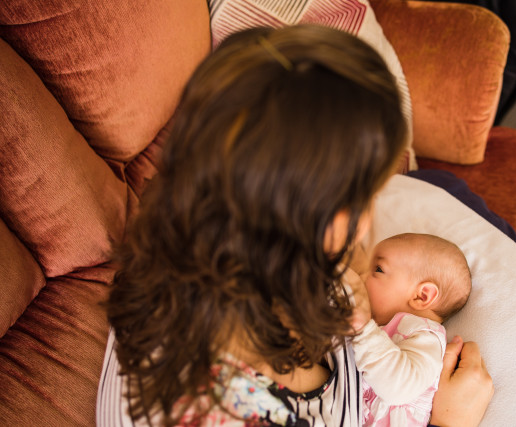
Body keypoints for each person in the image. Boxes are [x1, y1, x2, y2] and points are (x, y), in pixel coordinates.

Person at [97, 25, 493, 426]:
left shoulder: (205, 240)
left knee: (448, 186)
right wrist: (451, 422)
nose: (369, 219)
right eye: (370, 194)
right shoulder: (231, 410)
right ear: (328, 217)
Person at [347, 233, 472, 426]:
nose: (362, 276)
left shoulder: (426, 336)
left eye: (378, 269)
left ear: (422, 296)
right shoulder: (378, 327)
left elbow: (399, 387)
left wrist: (363, 330)